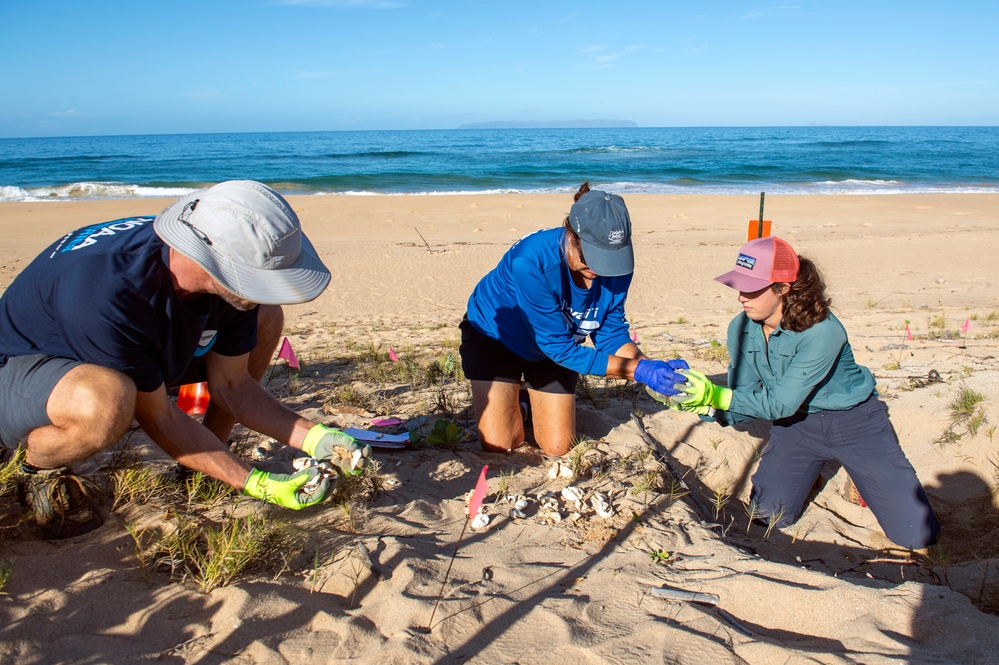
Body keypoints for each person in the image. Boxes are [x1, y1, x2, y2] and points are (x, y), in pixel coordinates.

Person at [0, 180, 369, 539]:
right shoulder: (107, 292)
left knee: (264, 315)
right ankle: (39, 470)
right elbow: (159, 418)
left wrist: (315, 436)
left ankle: (207, 461)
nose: (263, 288)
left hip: (131, 344)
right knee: (108, 401)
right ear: (209, 258)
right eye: (257, 279)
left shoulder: (221, 262)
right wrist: (255, 482)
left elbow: (233, 384)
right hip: (23, 367)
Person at [661, 236, 939, 550]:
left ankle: (857, 473)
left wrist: (714, 395)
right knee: (767, 517)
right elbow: (746, 394)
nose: (741, 296)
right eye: (739, 286)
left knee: (917, 535)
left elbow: (777, 403)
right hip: (796, 427)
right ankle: (812, 474)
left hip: (856, 426)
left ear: (783, 288)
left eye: (752, 288)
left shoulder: (823, 331)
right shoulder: (741, 327)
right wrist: (702, 404)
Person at [459, 183, 688, 457]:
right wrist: (637, 371)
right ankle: (515, 400)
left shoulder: (617, 262)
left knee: (558, 446)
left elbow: (610, 333)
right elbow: (560, 349)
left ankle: (525, 402)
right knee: (502, 443)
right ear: (571, 235)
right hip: (496, 339)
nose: (599, 270)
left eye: (607, 260)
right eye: (590, 258)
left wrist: (650, 366)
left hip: (555, 347)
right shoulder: (530, 262)